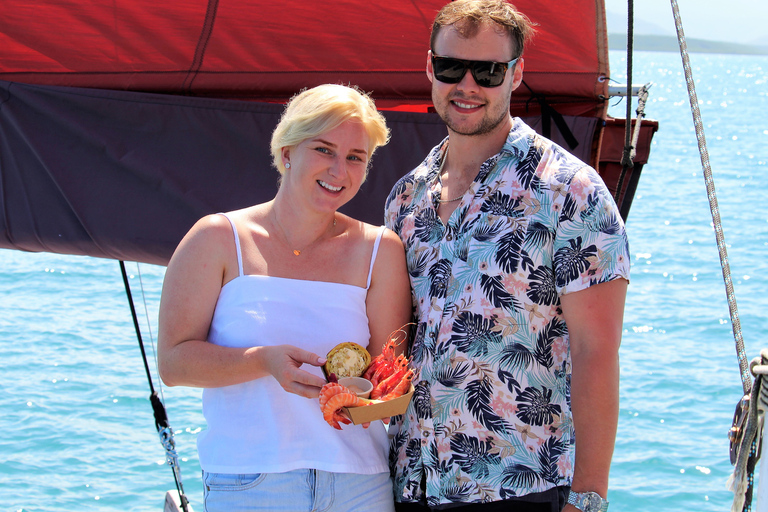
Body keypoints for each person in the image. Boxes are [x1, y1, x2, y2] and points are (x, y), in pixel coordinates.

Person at [384, 1, 630, 511]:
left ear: (517, 75)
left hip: (521, 490)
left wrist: (588, 499)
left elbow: (596, 353)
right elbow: (394, 342)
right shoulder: (406, 199)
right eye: (452, 67)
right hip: (411, 484)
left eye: (489, 71)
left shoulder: (572, 193)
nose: (467, 85)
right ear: (430, 67)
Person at [157, 84, 412, 512]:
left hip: (360, 484)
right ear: (288, 150)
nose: (338, 170)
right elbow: (174, 363)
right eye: (324, 149)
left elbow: (385, 376)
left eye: (355, 157)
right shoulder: (217, 239)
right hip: (249, 481)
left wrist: (366, 397)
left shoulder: (382, 251)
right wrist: (262, 361)